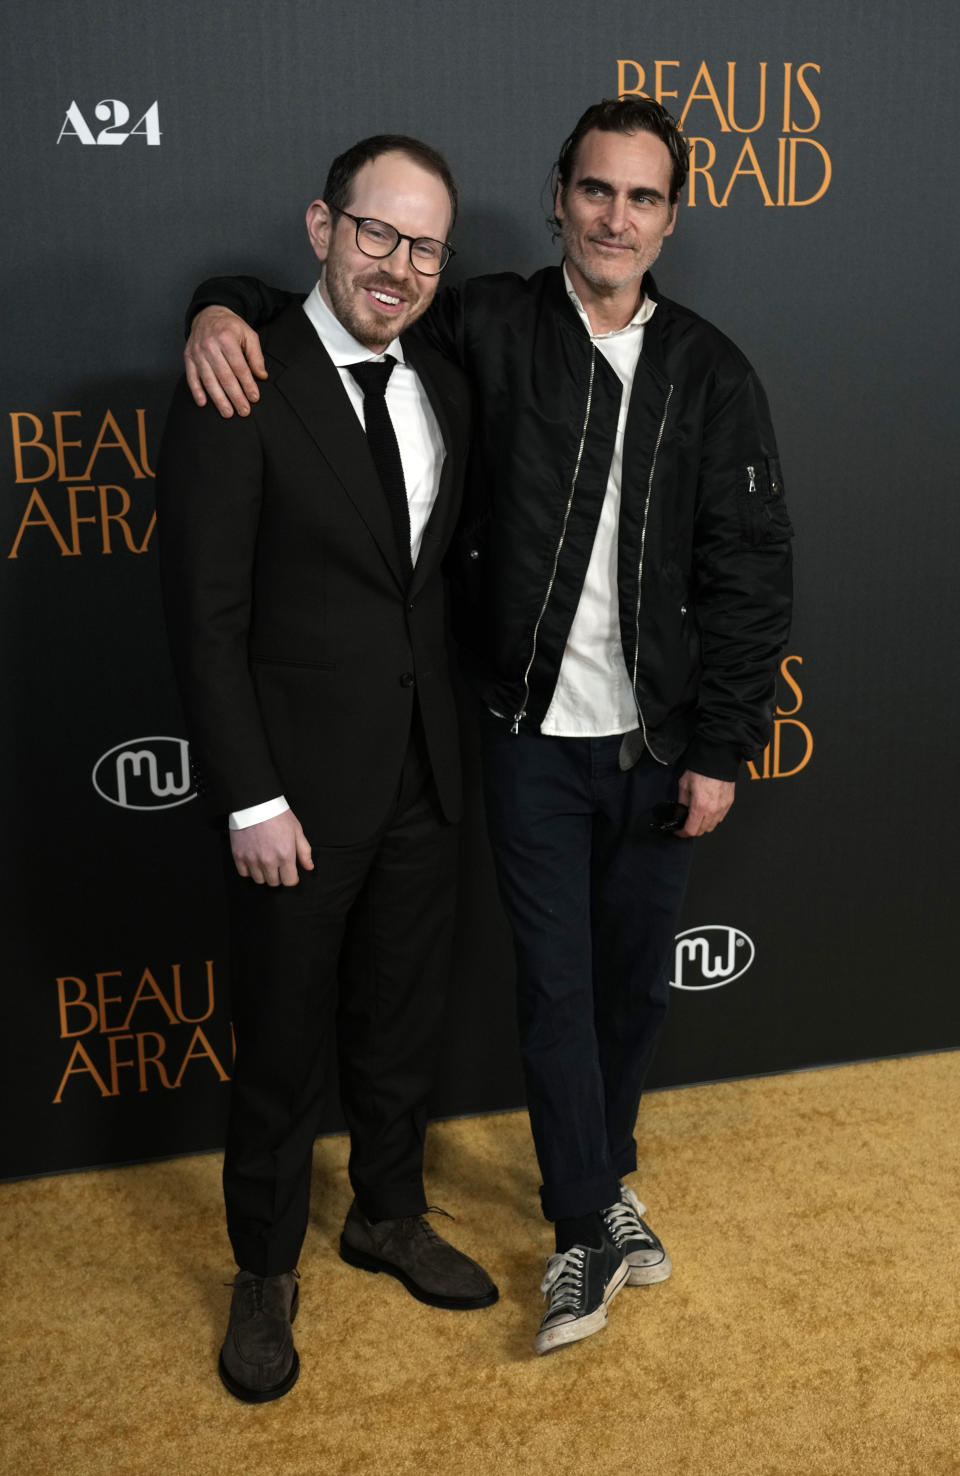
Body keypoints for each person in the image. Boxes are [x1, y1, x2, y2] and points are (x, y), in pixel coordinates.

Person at [182, 98, 793, 1357]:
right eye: (596, 192)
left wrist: (726, 741)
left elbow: (750, 568)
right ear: (560, 195)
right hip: (515, 742)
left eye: (643, 198)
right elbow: (333, 312)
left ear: (671, 216)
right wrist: (218, 298)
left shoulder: (710, 371)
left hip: (648, 749)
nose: (616, 218)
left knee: (610, 993)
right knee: (536, 996)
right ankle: (565, 1227)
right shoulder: (489, 326)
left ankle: (554, 1188)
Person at [157, 134, 498, 1405]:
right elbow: (203, 614)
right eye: (375, 234)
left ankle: (387, 1213)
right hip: (291, 795)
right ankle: (263, 1269)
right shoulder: (238, 372)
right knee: (284, 1043)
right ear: (321, 226)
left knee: (400, 1019)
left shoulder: (446, 384)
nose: (397, 267)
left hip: (423, 773)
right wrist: (248, 792)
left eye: (424, 247)